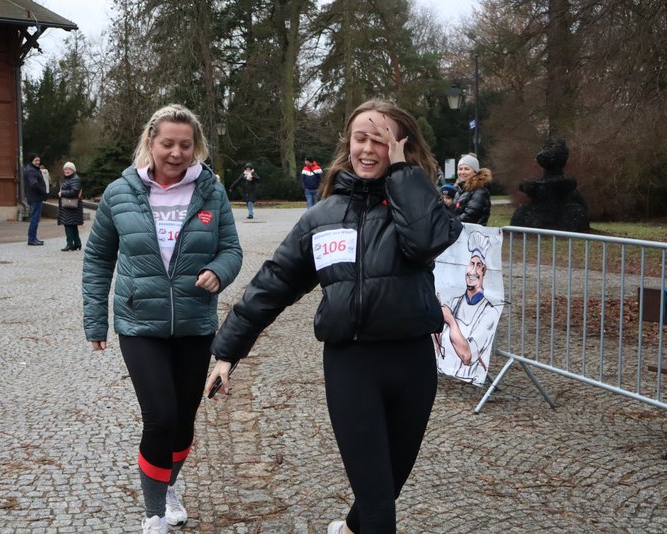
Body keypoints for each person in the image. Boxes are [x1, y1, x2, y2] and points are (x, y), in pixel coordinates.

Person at [204, 98, 462, 534]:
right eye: (360, 138)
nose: (367, 149)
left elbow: (423, 241)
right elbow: (274, 282)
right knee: (379, 505)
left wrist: (402, 173)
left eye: (380, 140)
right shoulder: (322, 217)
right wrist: (228, 350)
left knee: (386, 487)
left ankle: (346, 530)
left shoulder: (421, 207)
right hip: (352, 365)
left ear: (400, 146)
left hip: (413, 364)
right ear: (348, 144)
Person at [82, 104, 243, 534]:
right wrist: (95, 319)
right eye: (167, 143)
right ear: (150, 143)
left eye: (185, 145)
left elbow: (231, 249)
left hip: (194, 322)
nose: (176, 153)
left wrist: (219, 271)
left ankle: (169, 485)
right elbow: (98, 258)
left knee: (184, 419)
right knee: (161, 417)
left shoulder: (211, 192)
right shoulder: (120, 193)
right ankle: (154, 514)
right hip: (141, 324)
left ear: (196, 147)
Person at [436, 231, 500, 384]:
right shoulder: (454, 302)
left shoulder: (489, 312)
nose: (472, 271)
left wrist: (451, 321)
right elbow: (438, 346)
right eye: (471, 264)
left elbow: (467, 356)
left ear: (484, 272)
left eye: (478, 265)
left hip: (467, 375)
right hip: (443, 368)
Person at [453, 153, 492, 225]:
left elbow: (470, 216)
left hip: (473, 231)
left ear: (475, 172)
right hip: (459, 230)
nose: (462, 172)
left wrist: (450, 223)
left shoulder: (480, 191)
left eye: (466, 169)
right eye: (460, 169)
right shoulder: (459, 190)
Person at [57, 161, 84, 251]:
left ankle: (70, 244)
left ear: (73, 170)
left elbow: (74, 192)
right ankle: (77, 243)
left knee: (68, 225)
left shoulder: (75, 179)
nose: (67, 171)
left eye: (69, 169)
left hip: (71, 207)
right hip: (70, 207)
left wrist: (62, 193)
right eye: (65, 169)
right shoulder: (70, 178)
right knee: (72, 225)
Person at [23, 153, 47, 245]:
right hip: (35, 197)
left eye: (39, 160)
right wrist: (43, 192)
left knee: (35, 218)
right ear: (31, 160)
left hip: (35, 197)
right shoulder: (31, 170)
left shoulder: (33, 169)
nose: (38, 162)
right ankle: (32, 239)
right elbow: (34, 184)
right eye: (36, 160)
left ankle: (33, 238)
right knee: (35, 218)